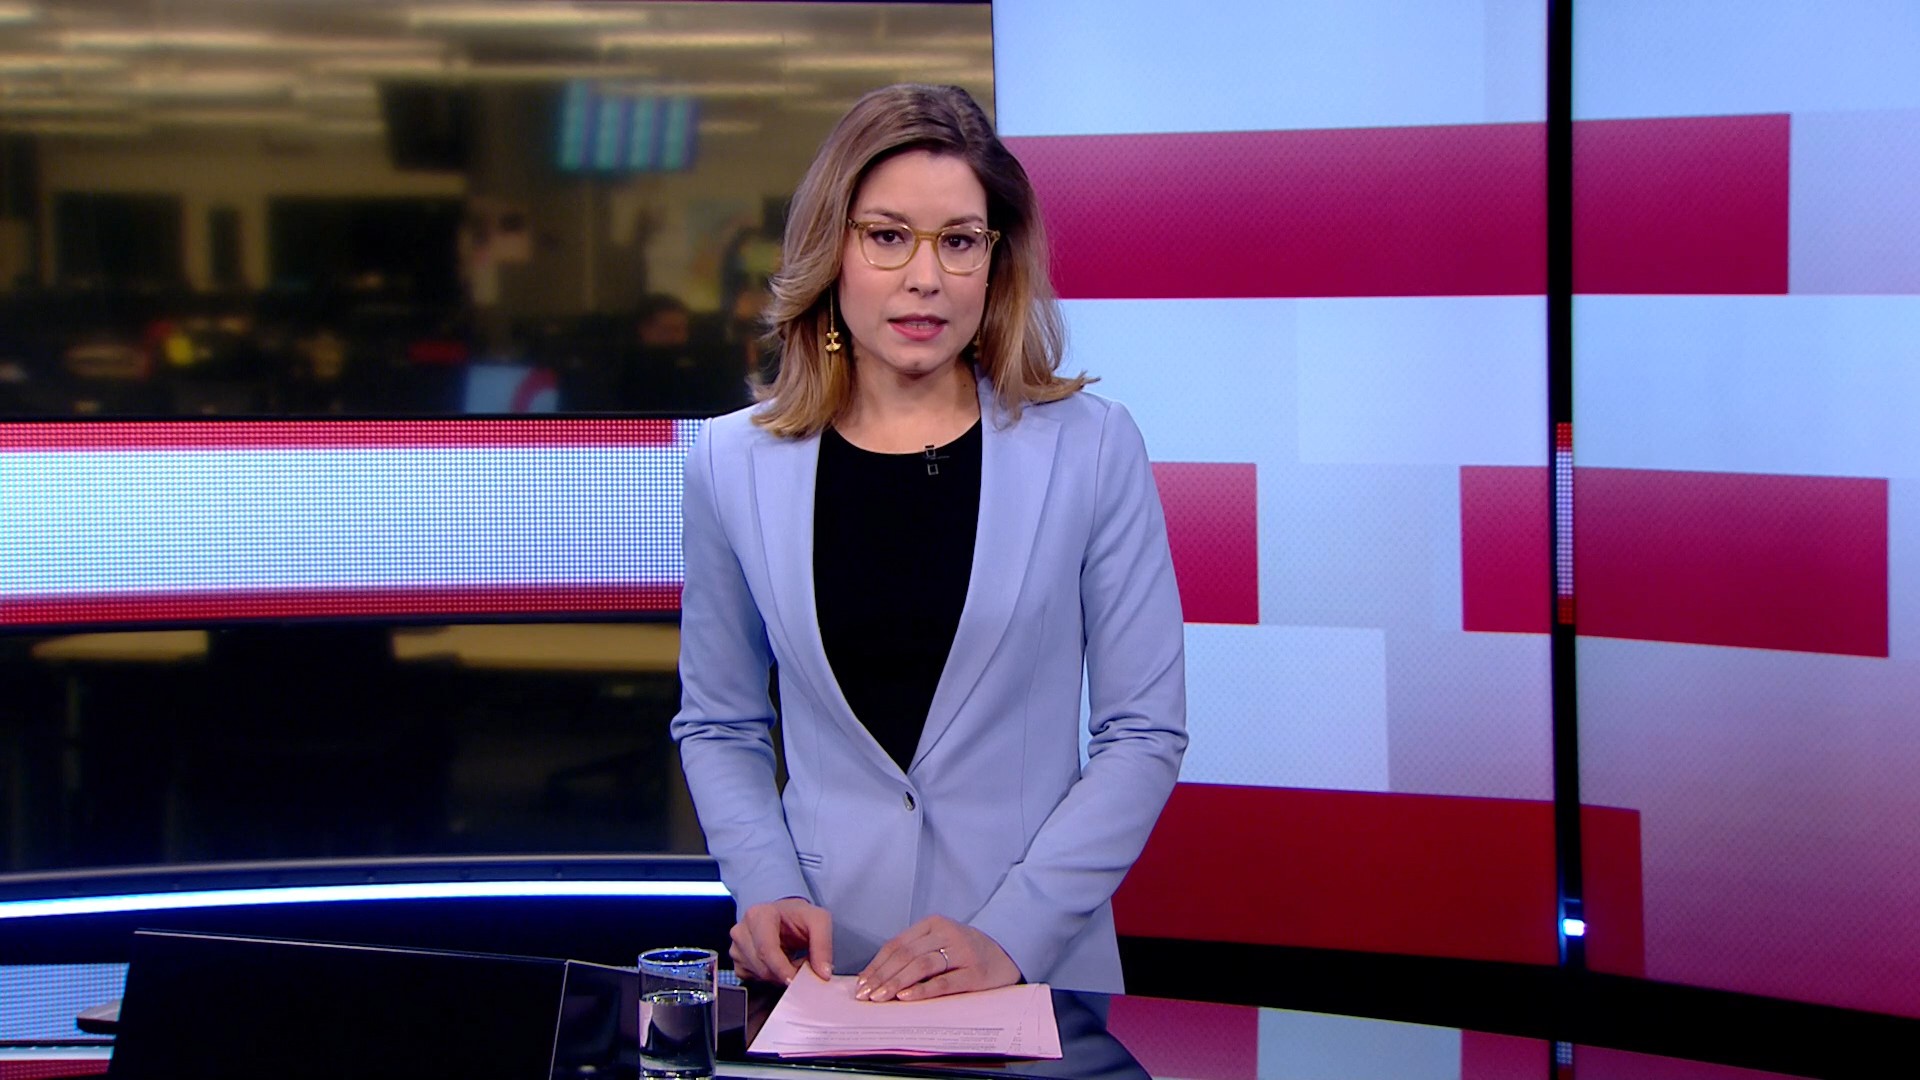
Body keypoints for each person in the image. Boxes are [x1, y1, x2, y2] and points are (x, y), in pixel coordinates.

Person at [671, 84, 1187, 1003]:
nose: (926, 277)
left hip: (1030, 970)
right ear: (832, 249)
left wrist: (1010, 934)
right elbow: (721, 722)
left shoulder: (1092, 447)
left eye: (958, 241)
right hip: (829, 968)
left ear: (995, 260)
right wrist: (765, 886)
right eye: (887, 236)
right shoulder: (730, 461)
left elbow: (1142, 731)